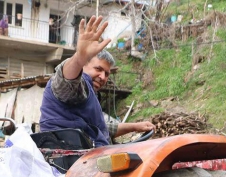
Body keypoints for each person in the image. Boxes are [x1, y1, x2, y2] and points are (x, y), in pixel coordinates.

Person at [39, 16, 154, 146]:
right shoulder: (78, 87)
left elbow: (103, 128)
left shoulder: (90, 97)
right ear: (83, 65)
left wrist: (135, 126)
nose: (103, 76)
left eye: (107, 73)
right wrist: (79, 58)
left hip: (91, 154)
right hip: (70, 157)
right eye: (98, 69)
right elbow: (67, 83)